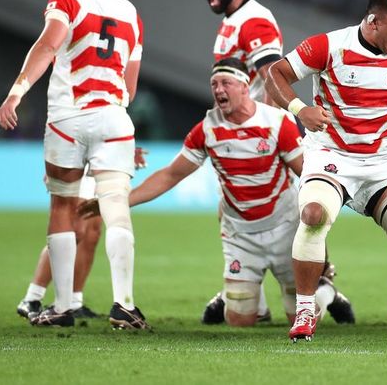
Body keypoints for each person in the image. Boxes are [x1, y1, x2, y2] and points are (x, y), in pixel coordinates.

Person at [83, 59, 352, 327]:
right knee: (239, 321)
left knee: (301, 315)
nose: (218, 89)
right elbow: (171, 174)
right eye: (214, 84)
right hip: (240, 236)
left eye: (226, 83)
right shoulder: (207, 129)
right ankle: (236, 296)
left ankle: (327, 292)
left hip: (284, 228)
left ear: (245, 87)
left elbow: (305, 172)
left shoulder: (276, 122)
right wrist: (117, 202)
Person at [266, 0, 387, 346]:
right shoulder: (329, 45)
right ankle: (306, 311)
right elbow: (277, 73)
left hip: (383, 161)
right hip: (331, 156)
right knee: (314, 216)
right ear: (373, 20)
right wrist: (299, 109)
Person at [0, 0, 148, 329]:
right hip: (115, 119)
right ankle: (125, 304)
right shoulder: (130, 11)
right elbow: (129, 89)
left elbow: (48, 46)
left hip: (68, 119)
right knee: (115, 207)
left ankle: (62, 306)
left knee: (63, 207)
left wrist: (16, 92)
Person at [202, 0, 352, 324]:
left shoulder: (254, 21)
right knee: (234, 206)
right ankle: (250, 295)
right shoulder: (231, 22)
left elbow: (272, 75)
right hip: (244, 131)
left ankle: (324, 283)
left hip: (268, 134)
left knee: (298, 206)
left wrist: (267, 130)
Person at [17, 175, 102, 320]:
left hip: (99, 162)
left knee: (92, 231)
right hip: (81, 163)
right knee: (75, 229)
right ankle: (32, 298)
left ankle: (74, 301)